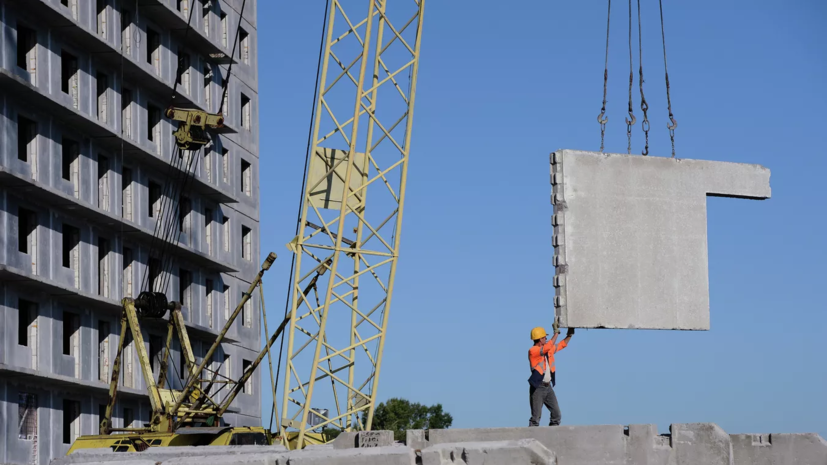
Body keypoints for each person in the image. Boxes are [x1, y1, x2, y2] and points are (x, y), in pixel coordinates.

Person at [527, 322, 574, 427]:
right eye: (544, 337)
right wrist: (556, 333)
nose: (546, 339)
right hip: (538, 387)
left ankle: (552, 436)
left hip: (548, 387)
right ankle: (531, 437)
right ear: (540, 339)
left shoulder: (547, 350)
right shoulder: (533, 351)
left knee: (556, 414)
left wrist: (569, 335)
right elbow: (547, 348)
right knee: (536, 417)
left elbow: (562, 345)